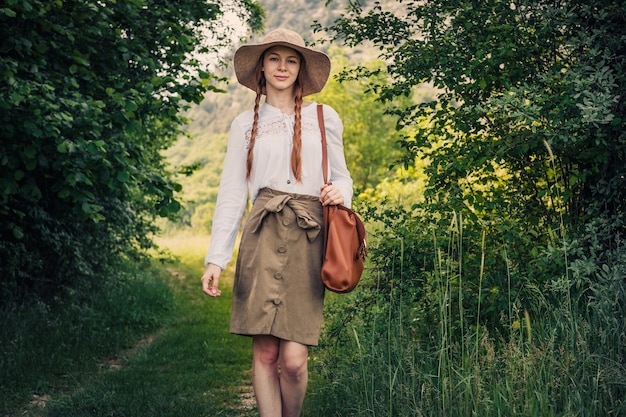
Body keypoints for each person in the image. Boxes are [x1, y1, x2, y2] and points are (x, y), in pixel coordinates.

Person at [200, 28, 353, 416]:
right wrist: (216, 257)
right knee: (267, 352)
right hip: (263, 230)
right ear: (262, 67)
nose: (282, 67)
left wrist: (341, 193)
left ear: (300, 68)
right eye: (274, 58)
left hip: (308, 232)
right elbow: (233, 193)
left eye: (291, 59)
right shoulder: (243, 125)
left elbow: (342, 176)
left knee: (295, 360)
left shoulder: (324, 117)